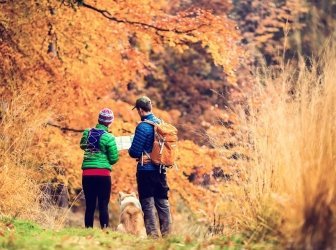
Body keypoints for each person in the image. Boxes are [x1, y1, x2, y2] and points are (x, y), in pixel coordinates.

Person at [128, 96, 172, 238]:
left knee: (148, 204)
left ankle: (153, 237)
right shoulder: (161, 124)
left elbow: (134, 151)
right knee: (163, 203)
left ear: (140, 110)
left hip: (146, 171)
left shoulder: (142, 127)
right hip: (161, 170)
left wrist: (133, 150)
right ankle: (167, 236)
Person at [80, 108, 119, 229]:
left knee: (90, 205)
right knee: (103, 205)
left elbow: (82, 145)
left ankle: (88, 230)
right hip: (103, 175)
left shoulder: (87, 132)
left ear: (98, 119)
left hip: (87, 174)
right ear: (110, 122)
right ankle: (105, 230)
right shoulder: (109, 138)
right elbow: (113, 159)